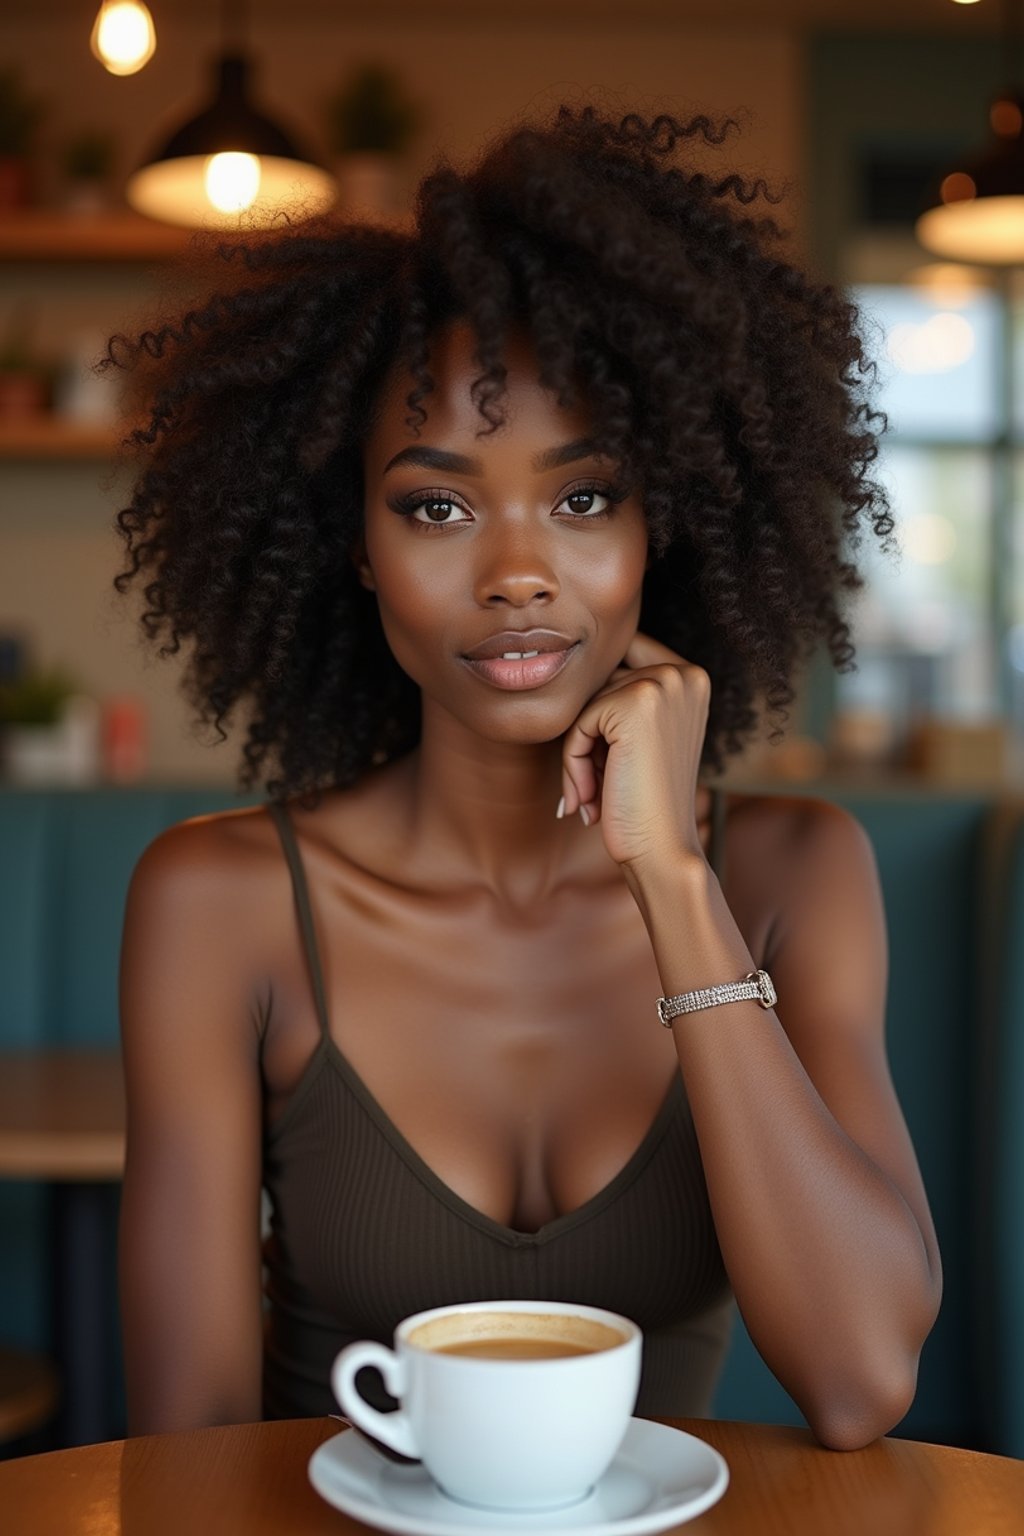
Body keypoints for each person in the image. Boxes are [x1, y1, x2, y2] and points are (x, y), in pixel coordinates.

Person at [112, 105, 941, 1450]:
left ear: (663, 522)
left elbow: (860, 1382)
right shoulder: (220, 902)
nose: (516, 571)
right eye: (437, 505)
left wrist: (673, 879)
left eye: (584, 495)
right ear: (357, 546)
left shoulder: (793, 876)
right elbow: (189, 1448)